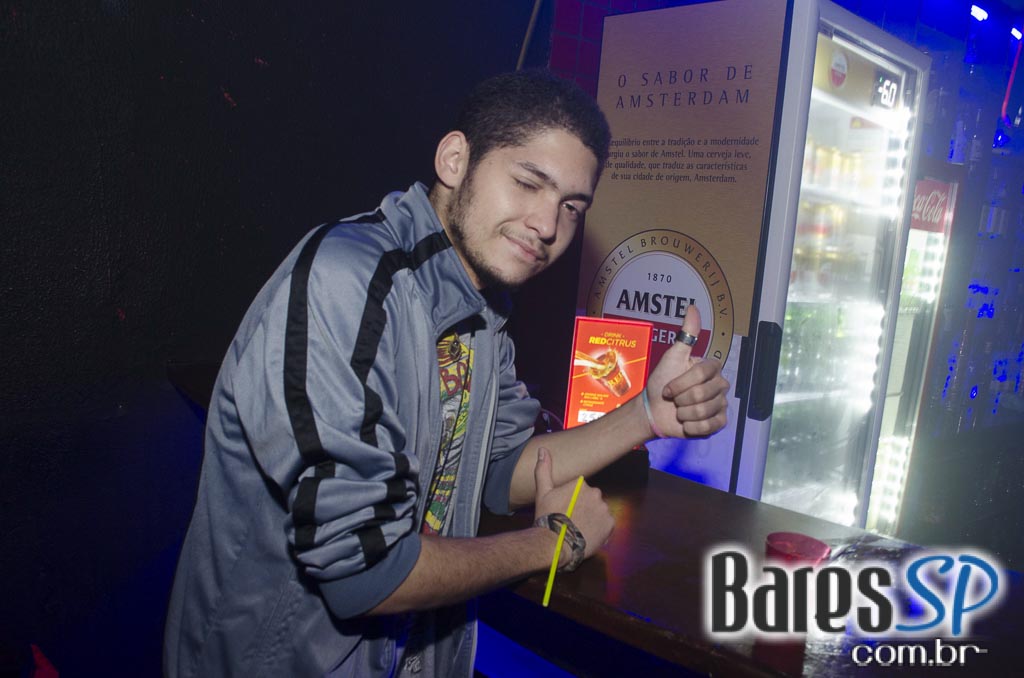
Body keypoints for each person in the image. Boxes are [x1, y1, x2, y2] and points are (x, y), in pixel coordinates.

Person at [163, 70, 729, 677]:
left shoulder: (481, 308)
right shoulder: (349, 283)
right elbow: (367, 571)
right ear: (455, 160)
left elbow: (499, 470)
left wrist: (645, 415)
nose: (548, 226)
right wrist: (552, 542)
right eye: (527, 183)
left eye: (571, 206)